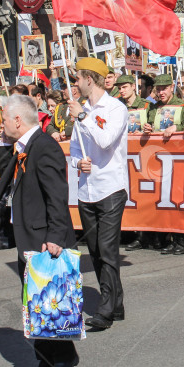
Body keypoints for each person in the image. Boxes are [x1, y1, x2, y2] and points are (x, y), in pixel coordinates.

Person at [0, 94, 78, 367]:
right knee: (35, 303)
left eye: (4, 119)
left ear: (17, 120)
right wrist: (3, 144)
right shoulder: (24, 145)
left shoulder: (44, 146)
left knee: (50, 304)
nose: (1, 124)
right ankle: (51, 358)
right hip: (27, 235)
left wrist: (55, 236)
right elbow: (9, 176)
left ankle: (59, 361)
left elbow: (57, 195)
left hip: (43, 239)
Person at [64, 57, 128, 331]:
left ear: (90, 79)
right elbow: (74, 150)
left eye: (78, 79)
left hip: (111, 187)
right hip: (86, 189)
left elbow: (104, 140)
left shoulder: (116, 108)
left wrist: (81, 115)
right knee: (95, 251)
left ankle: (105, 310)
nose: (75, 84)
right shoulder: (81, 110)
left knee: (107, 249)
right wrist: (78, 163)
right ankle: (117, 302)